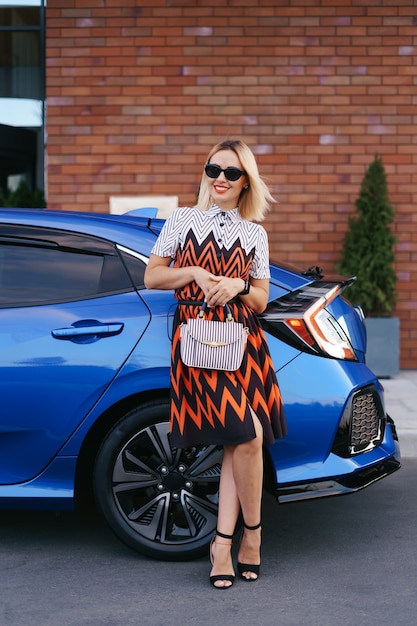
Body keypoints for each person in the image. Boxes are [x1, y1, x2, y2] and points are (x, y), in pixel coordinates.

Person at [144, 139, 287, 589]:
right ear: (205, 173)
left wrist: (238, 285)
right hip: (199, 345)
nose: (220, 179)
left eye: (232, 173)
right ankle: (252, 538)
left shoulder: (254, 233)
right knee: (246, 434)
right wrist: (194, 274)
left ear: (246, 181)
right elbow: (152, 276)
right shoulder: (184, 220)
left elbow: (262, 299)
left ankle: (226, 543)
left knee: (239, 442)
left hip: (243, 344)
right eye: (214, 169)